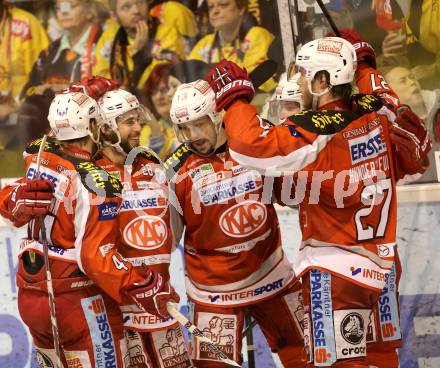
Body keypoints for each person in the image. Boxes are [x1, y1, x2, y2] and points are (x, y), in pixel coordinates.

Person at [205, 38, 431, 366]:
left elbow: (249, 146)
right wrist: (365, 65)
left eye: (302, 74)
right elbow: (386, 98)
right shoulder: (377, 114)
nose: (298, 83)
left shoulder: (318, 129)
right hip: (382, 267)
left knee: (339, 363)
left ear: (323, 81)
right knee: (381, 356)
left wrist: (235, 98)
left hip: (336, 270)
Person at [0, 89, 179, 366]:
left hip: (31, 295)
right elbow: (94, 256)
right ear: (95, 126)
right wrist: (142, 284)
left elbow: (13, 201)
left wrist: (11, 198)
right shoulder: (98, 180)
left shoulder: (37, 153)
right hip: (75, 298)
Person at [165, 79, 306, 367]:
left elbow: (292, 197)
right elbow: (167, 240)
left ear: (217, 115)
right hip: (212, 293)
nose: (192, 135)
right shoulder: (175, 170)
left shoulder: (251, 143)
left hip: (272, 275)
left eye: (199, 123)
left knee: (309, 356)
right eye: (184, 127)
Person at [95, 87, 192, 367]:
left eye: (138, 119)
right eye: (129, 122)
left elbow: (171, 230)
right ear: (106, 128)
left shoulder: (152, 165)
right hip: (120, 314)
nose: (139, 127)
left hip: (162, 304)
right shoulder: (93, 176)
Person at [17, 0, 103, 145]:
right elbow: (29, 87)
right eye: (59, 8)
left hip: (93, 130)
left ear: (90, 11)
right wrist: (40, 90)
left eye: (71, 6)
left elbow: (113, 88)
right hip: (52, 130)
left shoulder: (105, 44)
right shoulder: (50, 51)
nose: (63, 12)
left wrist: (69, 89)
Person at [92, 0, 185, 93]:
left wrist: (139, 56)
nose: (136, 10)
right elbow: (101, 83)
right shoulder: (109, 38)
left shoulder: (167, 33)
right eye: (126, 7)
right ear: (114, 16)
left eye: (140, 3)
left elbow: (161, 80)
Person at [188, 0, 276, 92]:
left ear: (241, 8)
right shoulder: (204, 44)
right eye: (211, 7)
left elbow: (257, 83)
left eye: (223, 5)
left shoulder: (257, 35)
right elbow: (189, 82)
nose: (215, 11)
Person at [139, 62, 180, 159]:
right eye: (153, 92)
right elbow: (148, 168)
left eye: (164, 90)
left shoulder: (195, 122)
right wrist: (156, 131)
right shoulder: (147, 132)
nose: (158, 97)